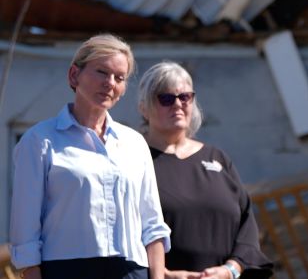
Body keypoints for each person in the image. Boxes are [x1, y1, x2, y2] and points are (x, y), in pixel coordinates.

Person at [10, 34, 170, 279]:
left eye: (120, 78)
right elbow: (25, 231)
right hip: (66, 270)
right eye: (102, 72)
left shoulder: (135, 143)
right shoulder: (38, 140)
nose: (110, 83)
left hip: (132, 271)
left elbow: (152, 224)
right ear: (74, 75)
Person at [137, 61, 273, 279]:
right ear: (143, 108)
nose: (177, 105)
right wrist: (160, 274)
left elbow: (247, 225)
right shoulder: (133, 159)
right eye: (166, 98)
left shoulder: (217, 159)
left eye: (185, 97)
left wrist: (231, 270)